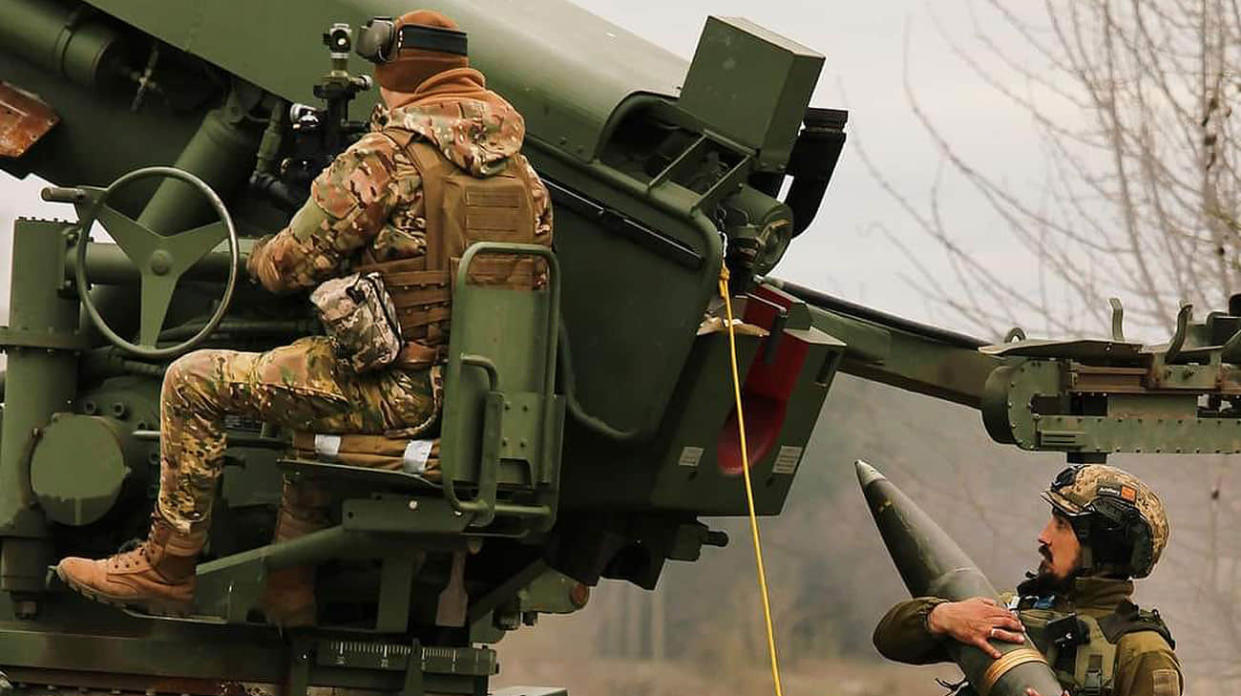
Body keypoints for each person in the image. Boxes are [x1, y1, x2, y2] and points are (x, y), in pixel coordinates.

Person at [55, 9, 553, 624]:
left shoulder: (386, 158)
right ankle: (288, 589)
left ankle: (167, 565)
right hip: (477, 400)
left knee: (195, 381)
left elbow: (284, 269)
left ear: (399, 73)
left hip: (395, 392)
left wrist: (262, 248)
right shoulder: (523, 178)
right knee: (306, 377)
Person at [872, 464, 1182, 696]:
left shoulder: (1142, 651)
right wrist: (940, 617)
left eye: (1061, 525)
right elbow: (889, 641)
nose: (1044, 536)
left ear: (1100, 546)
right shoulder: (1008, 614)